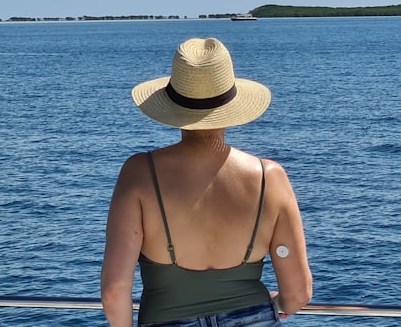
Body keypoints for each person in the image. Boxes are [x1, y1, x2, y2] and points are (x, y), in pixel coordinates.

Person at [101, 37, 312, 326]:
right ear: (233, 104)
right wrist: (278, 303)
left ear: (173, 106)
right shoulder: (269, 177)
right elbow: (298, 293)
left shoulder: (139, 173)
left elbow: (114, 291)